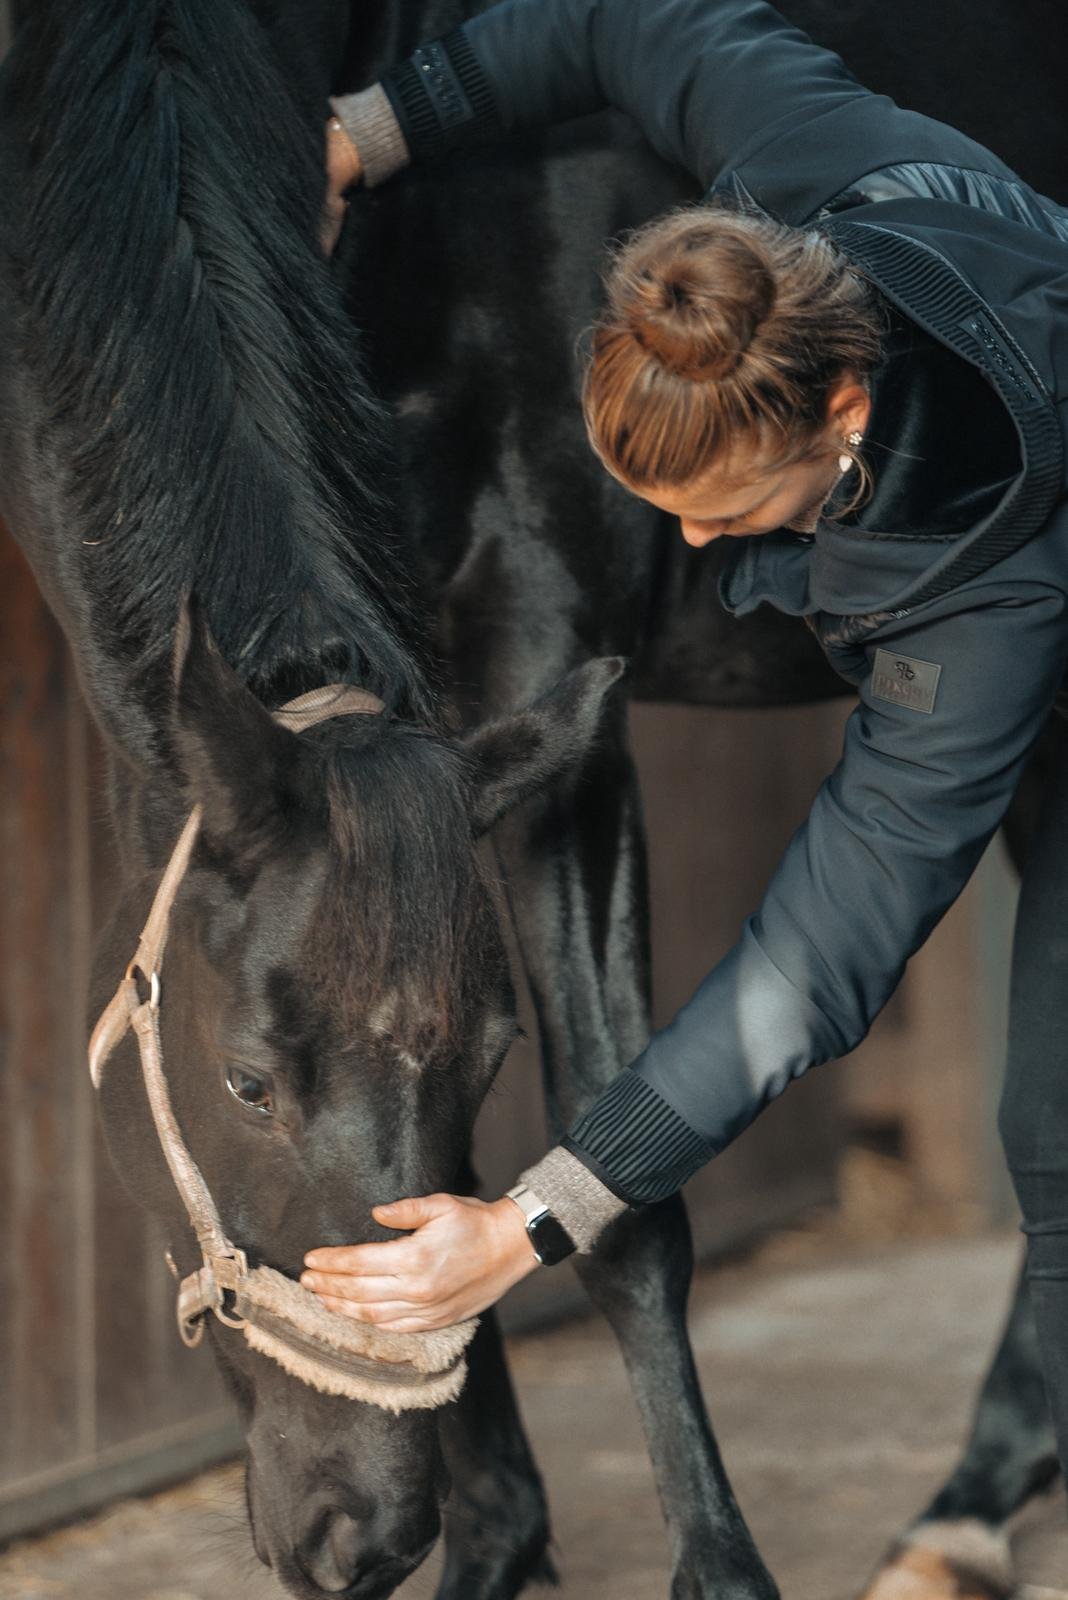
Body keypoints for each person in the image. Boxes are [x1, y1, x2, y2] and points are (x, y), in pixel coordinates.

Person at [300, 0, 1068, 1468]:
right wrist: (355, 135)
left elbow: (811, 964)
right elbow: (622, 20)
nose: (703, 546)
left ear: (840, 406)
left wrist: (531, 1225)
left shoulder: (966, 594)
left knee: (1058, 1130)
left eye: (732, 510)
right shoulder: (811, 179)